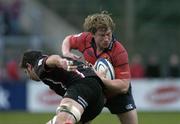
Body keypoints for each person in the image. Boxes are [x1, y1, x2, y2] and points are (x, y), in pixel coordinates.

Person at [61, 11, 138, 124]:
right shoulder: (85, 39)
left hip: (117, 93)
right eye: (102, 35)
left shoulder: (119, 51)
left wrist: (101, 79)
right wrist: (66, 52)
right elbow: (68, 40)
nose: (106, 39)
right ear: (92, 34)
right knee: (80, 121)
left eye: (109, 34)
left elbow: (124, 86)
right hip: (96, 89)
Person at [20, 50, 105, 124]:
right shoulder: (54, 77)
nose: (29, 76)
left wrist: (60, 61)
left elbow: (52, 59)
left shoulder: (37, 65)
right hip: (99, 98)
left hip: (82, 85)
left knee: (62, 119)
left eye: (26, 72)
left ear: (29, 66)